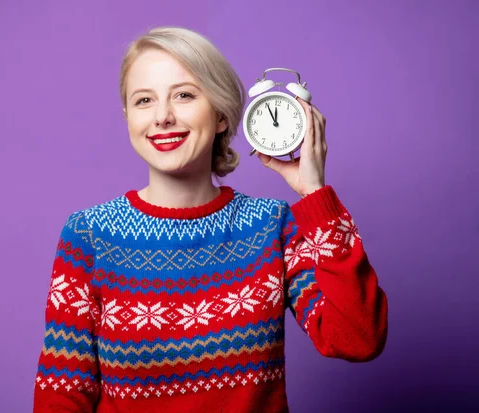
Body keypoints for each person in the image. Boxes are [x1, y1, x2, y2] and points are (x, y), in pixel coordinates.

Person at [32, 26, 388, 413]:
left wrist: (315, 195)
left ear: (220, 114)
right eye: (144, 100)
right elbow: (62, 394)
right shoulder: (90, 235)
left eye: (184, 95)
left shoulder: (271, 226)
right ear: (128, 116)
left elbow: (358, 339)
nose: (163, 117)